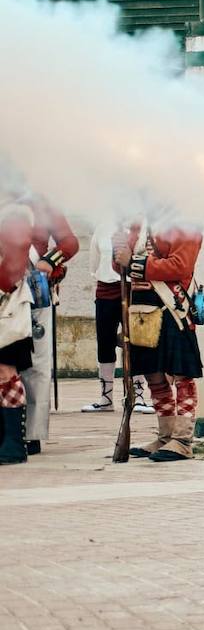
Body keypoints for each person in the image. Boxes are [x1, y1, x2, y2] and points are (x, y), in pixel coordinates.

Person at [114, 215, 204, 462]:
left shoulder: (187, 221)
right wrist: (119, 250)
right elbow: (122, 266)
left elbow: (180, 266)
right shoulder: (139, 222)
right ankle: (165, 436)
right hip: (142, 309)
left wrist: (132, 261)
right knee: (154, 375)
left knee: (181, 375)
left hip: (173, 308)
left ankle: (183, 439)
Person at [17, 192, 78, 456]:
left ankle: (32, 432)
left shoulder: (43, 202)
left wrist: (50, 263)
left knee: (37, 364)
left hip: (33, 290)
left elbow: (69, 242)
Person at [83, 221, 152, 415]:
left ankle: (138, 395)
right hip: (106, 288)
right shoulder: (103, 227)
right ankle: (106, 398)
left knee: (137, 342)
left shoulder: (143, 227)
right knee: (105, 342)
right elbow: (94, 262)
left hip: (134, 288)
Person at [0, 196, 37, 465]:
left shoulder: (15, 219)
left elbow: (10, 272)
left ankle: (14, 443)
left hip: (8, 311)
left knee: (6, 373)